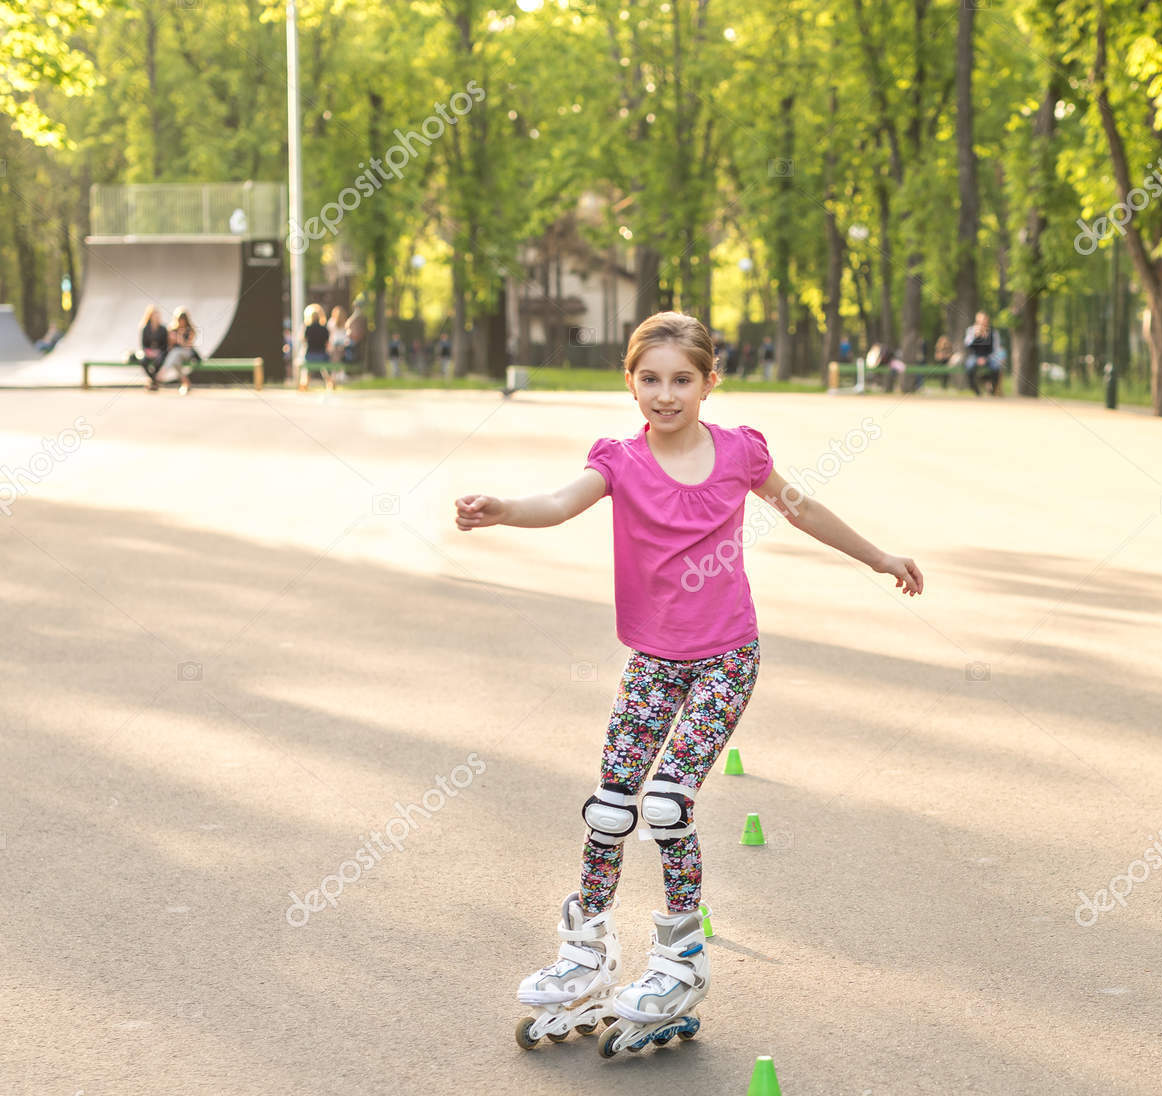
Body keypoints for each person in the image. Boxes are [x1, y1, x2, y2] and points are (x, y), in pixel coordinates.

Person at [455, 311, 924, 1056]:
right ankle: (588, 952)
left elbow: (800, 509)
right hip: (653, 661)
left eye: (681, 380)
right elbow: (559, 502)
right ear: (630, 382)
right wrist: (505, 511)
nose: (664, 395)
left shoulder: (739, 453)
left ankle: (679, 960)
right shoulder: (618, 460)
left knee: (668, 802)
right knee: (610, 808)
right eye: (649, 380)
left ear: (711, 382)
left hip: (725, 659)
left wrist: (876, 555)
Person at [158, 307, 199, 395]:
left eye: (183, 320)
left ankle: (162, 372)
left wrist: (179, 339)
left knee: (176, 353)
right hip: (175, 355)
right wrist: (171, 339)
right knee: (176, 360)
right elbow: (170, 347)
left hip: (187, 353)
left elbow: (189, 345)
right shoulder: (172, 329)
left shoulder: (190, 330)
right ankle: (186, 383)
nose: (181, 322)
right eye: (179, 319)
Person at [963, 311, 1005, 395]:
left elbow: (996, 349)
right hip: (975, 356)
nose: (983, 322)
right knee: (969, 366)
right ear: (977, 320)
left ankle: (992, 389)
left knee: (996, 366)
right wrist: (976, 336)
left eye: (984, 320)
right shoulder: (971, 330)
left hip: (989, 356)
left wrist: (986, 358)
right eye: (981, 320)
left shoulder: (993, 332)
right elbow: (967, 345)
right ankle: (975, 389)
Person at [299, 303, 334, 391]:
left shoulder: (307, 328)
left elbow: (304, 341)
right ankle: (330, 383)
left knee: (308, 368)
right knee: (325, 366)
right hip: (321, 355)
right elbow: (327, 343)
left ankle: (304, 383)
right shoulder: (324, 329)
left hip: (310, 355)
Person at [137, 305, 169, 390]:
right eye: (154, 315)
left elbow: (165, 345)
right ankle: (154, 381)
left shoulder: (163, 329)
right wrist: (148, 352)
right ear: (150, 316)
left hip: (160, 352)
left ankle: (152, 382)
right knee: (143, 361)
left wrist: (158, 352)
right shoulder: (145, 328)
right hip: (148, 352)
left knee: (159, 361)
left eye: (157, 315)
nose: (156, 317)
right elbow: (143, 345)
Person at [344, 302, 367, 367]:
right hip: (351, 339)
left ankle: (350, 365)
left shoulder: (359, 317)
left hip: (355, 340)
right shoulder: (356, 316)